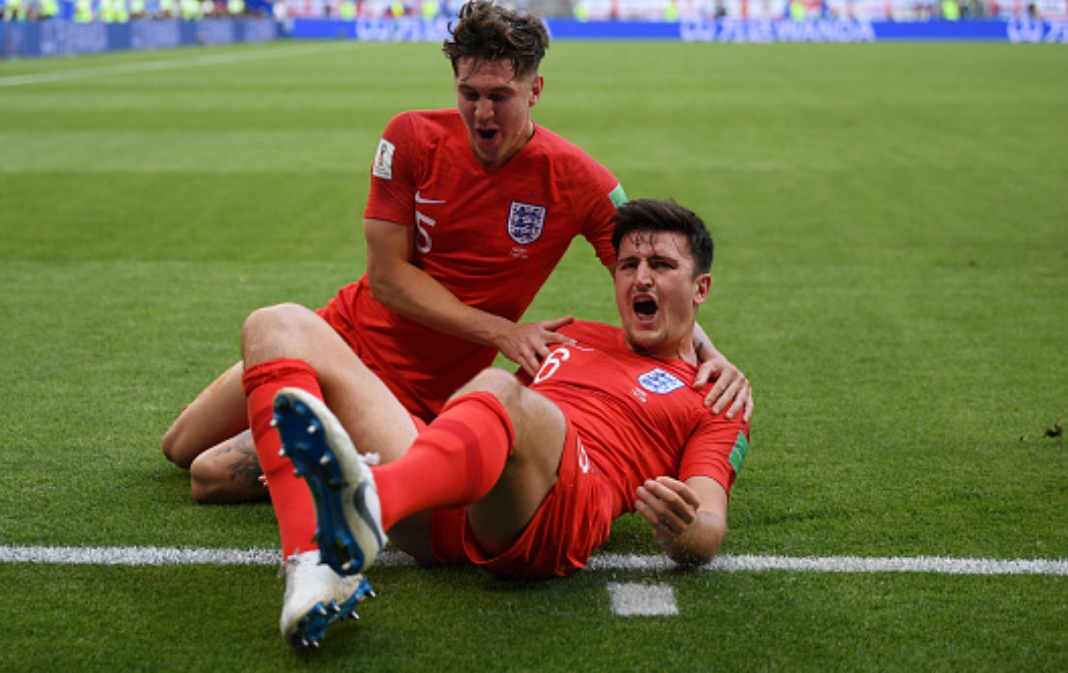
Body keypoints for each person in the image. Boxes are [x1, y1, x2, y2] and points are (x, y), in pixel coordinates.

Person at [162, 0, 753, 504]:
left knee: (209, 474)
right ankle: (339, 442)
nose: (482, 113)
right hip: (340, 334)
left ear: (535, 88)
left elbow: (647, 272)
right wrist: (501, 332)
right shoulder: (410, 137)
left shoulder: (580, 180)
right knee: (177, 446)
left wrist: (710, 356)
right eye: (469, 93)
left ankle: (354, 454)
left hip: (418, 392)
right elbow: (388, 278)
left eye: (500, 95)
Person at [243, 198, 749, 647]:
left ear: (701, 287)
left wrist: (685, 530)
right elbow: (475, 423)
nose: (641, 277)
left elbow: (708, 527)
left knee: (499, 389)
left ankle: (364, 498)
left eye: (661, 265)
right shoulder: (569, 335)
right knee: (275, 324)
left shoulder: (715, 395)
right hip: (451, 491)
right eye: (628, 265)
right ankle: (313, 557)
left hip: (557, 510)